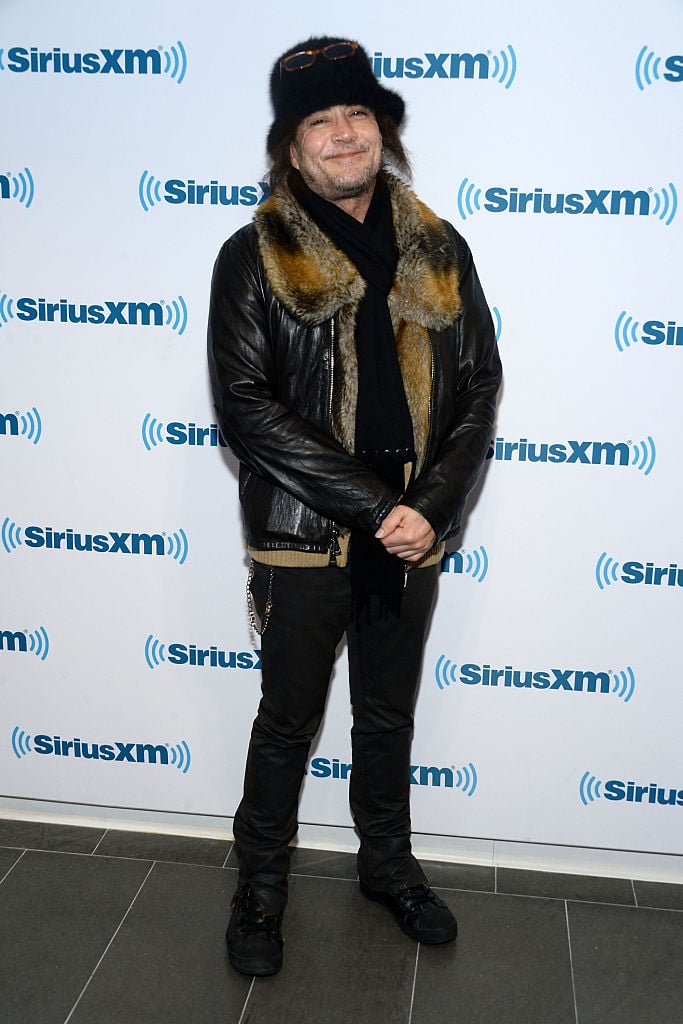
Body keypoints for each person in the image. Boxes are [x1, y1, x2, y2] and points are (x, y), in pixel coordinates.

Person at [207, 35, 502, 977]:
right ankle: (259, 891)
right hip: (309, 533)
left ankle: (387, 865)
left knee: (386, 716)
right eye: (319, 122)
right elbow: (247, 408)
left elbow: (481, 385)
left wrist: (433, 509)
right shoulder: (252, 256)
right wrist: (379, 507)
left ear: (382, 130)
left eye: (357, 115)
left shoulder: (440, 248)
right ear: (290, 149)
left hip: (411, 531)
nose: (342, 135)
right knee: (287, 724)